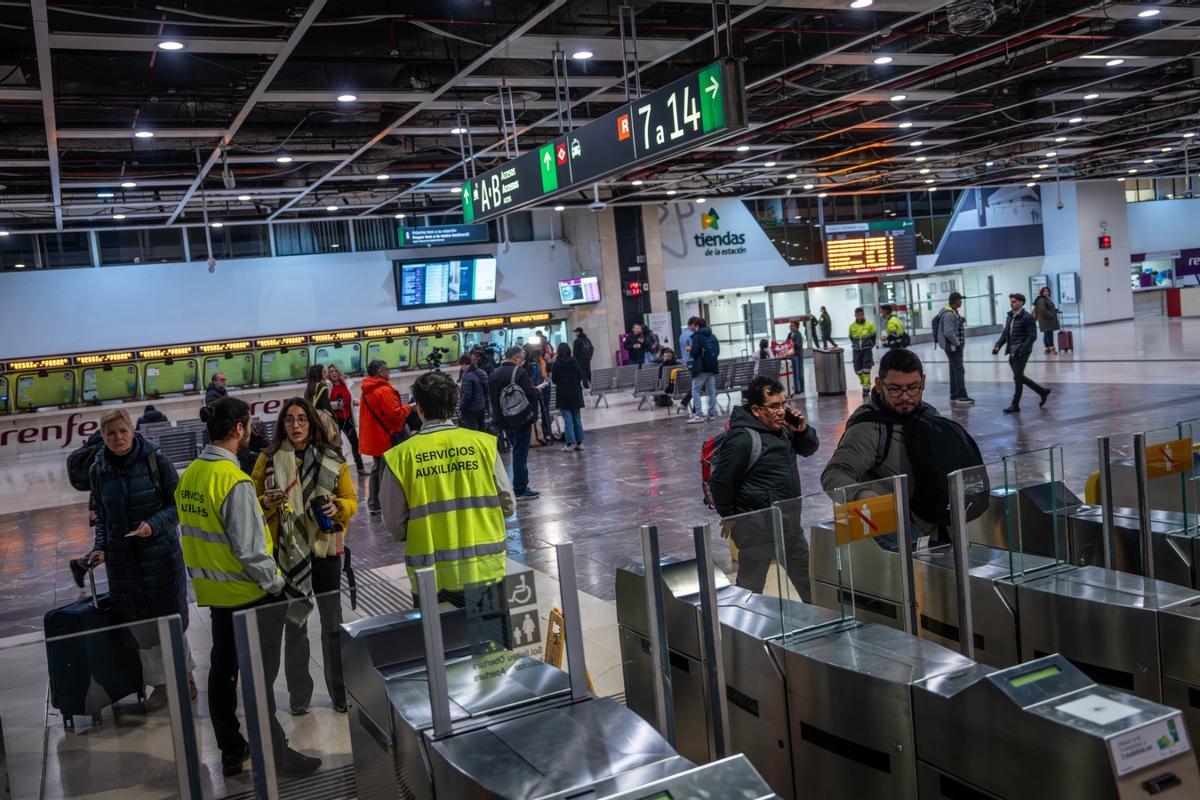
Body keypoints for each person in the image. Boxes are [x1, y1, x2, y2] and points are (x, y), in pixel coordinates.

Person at [177, 398, 321, 778]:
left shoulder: (191, 474)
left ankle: (231, 749)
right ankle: (275, 754)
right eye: (249, 424)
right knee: (259, 681)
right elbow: (251, 551)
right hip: (248, 595)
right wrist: (278, 586)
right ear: (240, 428)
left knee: (222, 673)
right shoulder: (233, 480)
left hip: (215, 594)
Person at [82, 409, 195, 711]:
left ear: (132, 430)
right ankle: (161, 684)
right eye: (110, 433)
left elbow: (177, 506)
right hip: (123, 564)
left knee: (169, 621)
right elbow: (101, 517)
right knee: (141, 628)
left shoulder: (156, 461)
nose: (118, 437)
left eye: (123, 431)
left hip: (159, 557)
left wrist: (153, 525)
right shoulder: (98, 470)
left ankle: (184, 676)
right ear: (102, 436)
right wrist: (101, 546)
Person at [252, 398, 357, 716]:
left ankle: (340, 692)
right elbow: (251, 502)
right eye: (289, 419)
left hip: (325, 550)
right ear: (282, 424)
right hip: (288, 554)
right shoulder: (267, 459)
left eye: (302, 419)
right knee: (295, 625)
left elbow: (351, 500)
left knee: (332, 624)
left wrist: (338, 507)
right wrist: (266, 504)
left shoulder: (332, 458)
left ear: (311, 423)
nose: (295, 425)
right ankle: (299, 696)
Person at [382, 370, 515, 603]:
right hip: (486, 570)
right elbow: (508, 504)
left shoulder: (400, 457)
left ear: (419, 407)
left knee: (440, 629)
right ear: (454, 404)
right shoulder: (483, 445)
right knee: (493, 628)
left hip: (431, 578)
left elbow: (395, 525)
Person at [821, 349, 977, 537]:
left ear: (923, 383)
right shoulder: (869, 427)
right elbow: (834, 474)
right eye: (895, 389)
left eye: (913, 388)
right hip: (896, 534)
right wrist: (861, 496)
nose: (905, 396)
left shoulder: (929, 414)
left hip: (941, 529)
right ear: (879, 385)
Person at [709, 377, 819, 600]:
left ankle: (823, 620)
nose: (781, 411)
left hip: (788, 524)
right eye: (774, 406)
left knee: (811, 583)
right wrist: (730, 515)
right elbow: (720, 481)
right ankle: (743, 621)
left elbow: (809, 449)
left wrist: (802, 431)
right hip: (756, 530)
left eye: (783, 404)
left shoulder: (784, 429)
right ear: (756, 410)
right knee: (750, 589)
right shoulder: (742, 438)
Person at [359, 360, 414, 514]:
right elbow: (395, 415)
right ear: (380, 372)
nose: (389, 372)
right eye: (387, 369)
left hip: (375, 436)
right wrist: (409, 407)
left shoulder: (367, 390)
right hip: (388, 436)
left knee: (377, 469)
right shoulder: (383, 391)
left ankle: (374, 503)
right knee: (388, 470)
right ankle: (388, 502)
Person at [490, 347, 540, 500]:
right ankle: (520, 488)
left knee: (516, 450)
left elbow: (492, 399)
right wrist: (537, 392)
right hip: (520, 418)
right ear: (516, 358)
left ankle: (519, 485)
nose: (522, 362)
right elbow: (529, 394)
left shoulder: (494, 374)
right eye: (521, 359)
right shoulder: (519, 372)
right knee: (520, 453)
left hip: (504, 420)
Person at [994, 293, 1051, 413]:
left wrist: (1022, 349)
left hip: (1021, 352)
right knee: (1018, 377)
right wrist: (998, 345)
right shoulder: (1010, 316)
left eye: (1014, 301)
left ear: (1021, 302)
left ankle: (1015, 404)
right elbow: (1006, 333)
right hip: (1012, 351)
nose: (1012, 303)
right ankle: (1042, 391)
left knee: (1018, 378)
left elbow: (1032, 336)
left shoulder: (1028, 317)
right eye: (1011, 301)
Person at [934, 292, 973, 407]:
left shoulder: (953, 313)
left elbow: (952, 327)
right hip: (953, 347)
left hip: (953, 346)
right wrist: (957, 344)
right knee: (959, 370)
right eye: (960, 300)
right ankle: (961, 395)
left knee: (954, 369)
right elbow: (948, 332)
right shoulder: (949, 314)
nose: (961, 302)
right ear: (955, 301)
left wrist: (960, 321)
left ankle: (954, 394)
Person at [327, 364, 365, 474]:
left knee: (355, 443)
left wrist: (354, 401)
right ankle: (338, 471)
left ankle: (360, 468)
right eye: (331, 371)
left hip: (348, 418)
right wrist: (336, 405)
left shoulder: (345, 384)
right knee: (336, 445)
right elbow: (327, 404)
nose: (334, 373)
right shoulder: (328, 386)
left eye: (335, 371)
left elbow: (349, 398)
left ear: (339, 372)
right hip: (336, 420)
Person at [551, 342, 586, 451]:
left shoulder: (556, 364)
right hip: (575, 392)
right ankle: (580, 442)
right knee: (577, 418)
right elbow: (580, 376)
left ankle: (570, 443)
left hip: (563, 394)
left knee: (567, 419)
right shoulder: (575, 361)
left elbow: (554, 379)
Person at [687, 317, 720, 424]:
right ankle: (711, 414)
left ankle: (699, 415)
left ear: (697, 326)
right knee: (711, 391)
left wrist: (690, 350)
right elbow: (717, 351)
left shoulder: (697, 336)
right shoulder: (712, 336)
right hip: (712, 367)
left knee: (695, 390)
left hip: (701, 367)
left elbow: (694, 352)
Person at [848, 307, 877, 397]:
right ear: (855, 315)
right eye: (858, 315)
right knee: (857, 370)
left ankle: (866, 388)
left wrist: (871, 345)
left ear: (863, 315)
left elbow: (873, 336)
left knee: (866, 368)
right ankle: (864, 382)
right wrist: (856, 345)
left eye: (861, 315)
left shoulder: (870, 325)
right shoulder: (851, 326)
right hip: (856, 350)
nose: (860, 316)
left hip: (867, 349)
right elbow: (851, 337)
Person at [458, 354, 489, 432]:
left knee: (472, 431)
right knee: (482, 428)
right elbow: (486, 388)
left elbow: (467, 396)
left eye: (461, 365)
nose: (461, 368)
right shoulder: (482, 372)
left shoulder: (467, 376)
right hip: (481, 405)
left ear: (464, 364)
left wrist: (461, 408)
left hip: (471, 409)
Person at [1033, 285, 1061, 354]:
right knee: (1049, 334)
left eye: (1047, 291)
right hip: (1046, 320)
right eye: (1044, 291)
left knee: (1047, 333)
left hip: (1047, 320)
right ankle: (1052, 348)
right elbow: (1043, 311)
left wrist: (1055, 311)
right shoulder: (1041, 300)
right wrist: (1052, 315)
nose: (1046, 292)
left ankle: (1047, 348)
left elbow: (1048, 308)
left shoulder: (1045, 299)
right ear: (1041, 292)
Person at [786, 320, 806, 396]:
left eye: (793, 326)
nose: (791, 327)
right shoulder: (790, 334)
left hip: (798, 356)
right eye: (790, 326)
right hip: (792, 356)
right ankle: (796, 388)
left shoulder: (798, 334)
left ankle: (801, 388)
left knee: (799, 371)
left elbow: (797, 345)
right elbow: (787, 343)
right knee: (795, 371)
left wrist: (791, 343)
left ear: (796, 327)